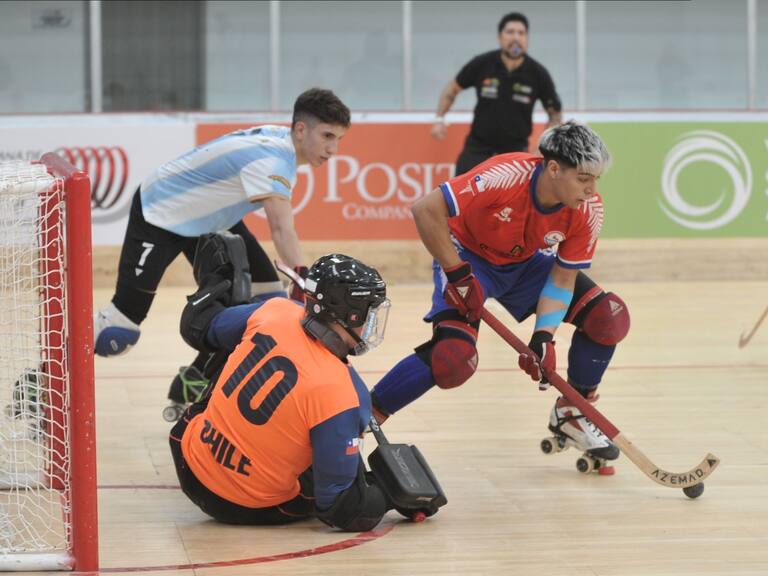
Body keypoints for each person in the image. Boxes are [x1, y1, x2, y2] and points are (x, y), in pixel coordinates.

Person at [371, 121, 629, 466]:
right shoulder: (504, 175)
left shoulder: (588, 209)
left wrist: (543, 336)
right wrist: (458, 275)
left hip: (526, 265)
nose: (591, 189)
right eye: (584, 178)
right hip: (468, 259)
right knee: (453, 359)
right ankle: (363, 415)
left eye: (596, 179)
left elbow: (563, 278)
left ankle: (573, 413)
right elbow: (425, 210)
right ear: (554, 169)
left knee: (608, 317)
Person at [93, 87, 351, 359]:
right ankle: (62, 358)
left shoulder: (283, 143)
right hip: (161, 212)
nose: (333, 149)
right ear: (300, 129)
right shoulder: (272, 161)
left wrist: (300, 282)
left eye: (339, 139)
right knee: (118, 331)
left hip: (210, 221)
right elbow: (281, 229)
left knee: (267, 301)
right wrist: (303, 281)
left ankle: (197, 379)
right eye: (327, 136)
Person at [169, 250, 407, 531]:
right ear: (351, 314)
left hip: (186, 455)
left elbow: (201, 327)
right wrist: (391, 493)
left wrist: (214, 283)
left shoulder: (275, 310)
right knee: (339, 470)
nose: (372, 323)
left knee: (239, 341)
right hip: (241, 506)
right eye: (370, 313)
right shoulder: (342, 393)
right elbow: (340, 509)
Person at [431, 12, 562, 175]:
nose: (516, 37)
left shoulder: (538, 73)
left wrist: (543, 148)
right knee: (459, 190)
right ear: (500, 37)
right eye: (510, 32)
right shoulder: (482, 64)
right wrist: (439, 119)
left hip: (515, 154)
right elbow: (452, 89)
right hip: (477, 149)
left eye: (521, 33)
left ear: (527, 39)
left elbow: (555, 114)